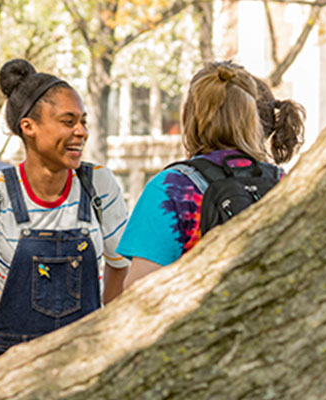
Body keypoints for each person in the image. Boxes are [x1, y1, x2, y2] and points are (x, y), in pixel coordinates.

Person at [0, 58, 130, 359]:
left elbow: (120, 264)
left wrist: (102, 331)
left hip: (82, 358)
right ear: (29, 126)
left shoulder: (98, 185)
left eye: (83, 121)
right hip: (7, 364)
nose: (81, 132)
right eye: (68, 121)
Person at [118, 61, 305, 287]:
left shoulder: (170, 189)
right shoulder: (282, 183)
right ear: (252, 118)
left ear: (189, 116)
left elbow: (138, 291)